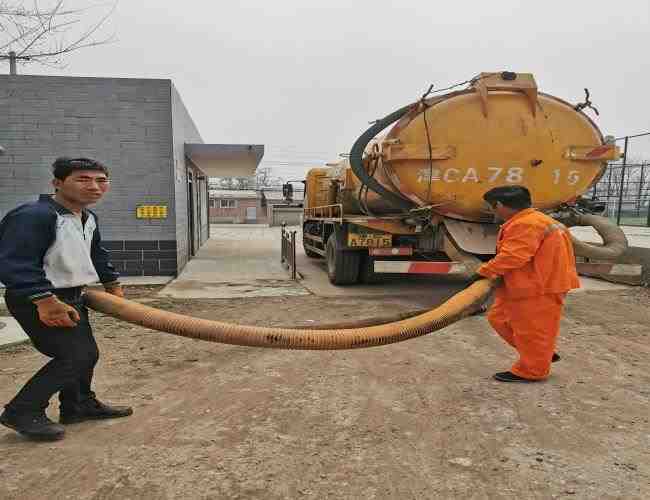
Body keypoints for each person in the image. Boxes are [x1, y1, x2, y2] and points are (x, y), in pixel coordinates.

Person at [0, 157, 132, 441]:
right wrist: (44, 301)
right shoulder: (35, 215)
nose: (95, 186)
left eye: (101, 180)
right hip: (39, 298)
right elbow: (15, 262)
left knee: (86, 354)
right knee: (75, 355)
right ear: (58, 183)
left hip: (73, 297)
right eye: (83, 179)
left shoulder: (87, 217)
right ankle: (21, 410)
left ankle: (78, 405)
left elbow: (97, 254)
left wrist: (113, 285)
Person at [474, 185, 580, 383]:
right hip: (527, 284)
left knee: (532, 330)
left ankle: (532, 370)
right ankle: (541, 354)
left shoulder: (526, 224)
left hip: (538, 287)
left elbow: (513, 256)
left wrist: (484, 271)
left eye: (491, 206)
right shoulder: (533, 220)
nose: (492, 211)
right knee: (499, 318)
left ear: (499, 205)